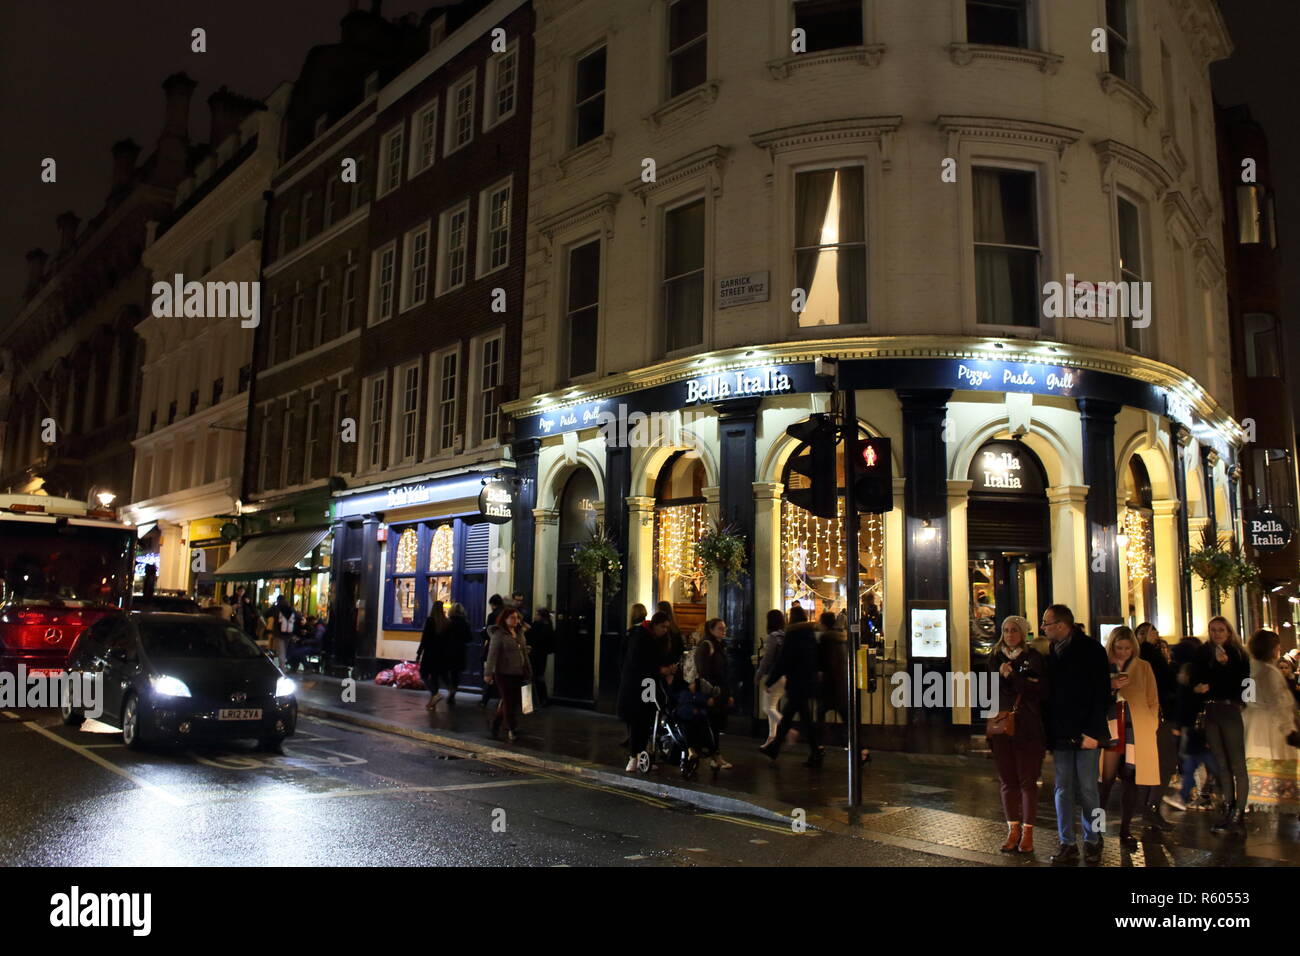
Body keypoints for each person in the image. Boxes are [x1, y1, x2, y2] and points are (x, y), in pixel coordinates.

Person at [1041, 604, 1110, 865]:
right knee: (1062, 789)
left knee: (1089, 789)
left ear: (1061, 625)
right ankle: (1066, 842)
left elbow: (1101, 694)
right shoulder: (1052, 652)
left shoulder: (1092, 650)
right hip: (1061, 732)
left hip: (1086, 732)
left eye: (1047, 623)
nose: (1043, 628)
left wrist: (1092, 731)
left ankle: (1094, 838)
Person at [1097, 627, 1163, 850]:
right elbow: (1092, 695)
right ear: (1112, 646)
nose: (1123, 652)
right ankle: (1095, 829)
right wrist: (1110, 685)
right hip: (1111, 729)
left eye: (1127, 648)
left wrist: (1151, 723)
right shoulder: (1103, 667)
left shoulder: (1143, 667)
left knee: (1131, 781)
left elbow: (1153, 698)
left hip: (1137, 729)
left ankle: (1125, 830)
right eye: (1119, 648)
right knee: (1104, 781)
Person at [987, 615, 1047, 855]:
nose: (1010, 634)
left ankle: (1028, 832)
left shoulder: (1034, 658)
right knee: (1007, 780)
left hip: (1028, 726)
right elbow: (990, 688)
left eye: (1014, 630)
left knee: (1027, 781)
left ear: (1023, 634)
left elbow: (1037, 689)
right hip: (1001, 725)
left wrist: (1012, 677)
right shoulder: (994, 657)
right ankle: (1012, 829)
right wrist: (1015, 680)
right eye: (1006, 630)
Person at [1192, 615, 1251, 834]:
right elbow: (1196, 678)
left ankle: (1238, 811)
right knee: (1220, 762)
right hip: (1211, 708)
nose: (1216, 634)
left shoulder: (1238, 654)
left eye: (1220, 630)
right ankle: (1228, 807)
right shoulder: (1203, 653)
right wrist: (1197, 688)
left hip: (1230, 708)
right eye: (1213, 630)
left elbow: (1245, 684)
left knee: (1237, 763)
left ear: (1228, 632)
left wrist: (1226, 666)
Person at [1244, 629, 1300, 814]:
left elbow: (1247, 698)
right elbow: (1280, 704)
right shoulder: (1271, 673)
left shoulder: (1250, 670)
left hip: (1252, 724)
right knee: (1277, 760)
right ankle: (1278, 797)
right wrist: (1289, 729)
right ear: (1275, 649)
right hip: (1272, 725)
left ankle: (1253, 797)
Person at [759, 607, 823, 767]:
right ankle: (812, 750)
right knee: (800, 718)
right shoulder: (811, 635)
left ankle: (778, 748)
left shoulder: (793, 635)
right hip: (808, 681)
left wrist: (770, 680)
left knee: (792, 717)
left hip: (797, 682)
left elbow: (783, 660)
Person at [1163, 661, 1221, 812]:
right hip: (1199, 735)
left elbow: (1182, 711)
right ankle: (1186, 796)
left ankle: (1188, 797)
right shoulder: (1198, 691)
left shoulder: (1187, 691)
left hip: (1194, 735)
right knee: (1197, 767)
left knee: (1204, 766)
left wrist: (1177, 728)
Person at [617, 612, 672, 770]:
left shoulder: (644, 635)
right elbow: (638, 662)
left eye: (667, 627)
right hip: (638, 686)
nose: (665, 630)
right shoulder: (640, 637)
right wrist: (660, 670)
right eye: (663, 627)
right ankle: (634, 758)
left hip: (644, 686)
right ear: (654, 625)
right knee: (638, 721)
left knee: (644, 721)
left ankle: (639, 757)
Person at [1136, 622, 1179, 790]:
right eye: (1147, 633)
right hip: (1153, 711)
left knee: (1161, 757)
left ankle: (1150, 800)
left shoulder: (1151, 654)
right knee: (1163, 758)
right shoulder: (1145, 655)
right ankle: (1150, 801)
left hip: (1156, 709)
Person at [484, 607, 532, 743]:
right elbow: (492, 654)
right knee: (509, 702)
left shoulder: (519, 633)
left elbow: (523, 652)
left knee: (510, 702)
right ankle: (512, 729)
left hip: (519, 672)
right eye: (512, 617)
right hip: (504, 673)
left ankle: (495, 725)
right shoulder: (498, 634)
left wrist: (528, 669)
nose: (515, 620)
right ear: (504, 619)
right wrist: (488, 673)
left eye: (517, 618)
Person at [693, 618, 734, 770]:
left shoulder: (720, 646)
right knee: (711, 725)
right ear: (711, 630)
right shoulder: (706, 646)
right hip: (711, 692)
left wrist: (727, 694)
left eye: (724, 628)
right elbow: (703, 672)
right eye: (720, 628)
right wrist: (708, 695)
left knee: (715, 725)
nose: (724, 631)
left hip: (719, 692)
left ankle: (713, 755)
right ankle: (713, 756)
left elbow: (724, 673)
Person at [756, 609, 787, 748]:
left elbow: (767, 659)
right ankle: (772, 737)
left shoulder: (773, 637)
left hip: (774, 676)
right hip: (785, 676)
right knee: (771, 707)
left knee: (767, 707)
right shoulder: (785, 636)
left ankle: (787, 729)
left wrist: (758, 674)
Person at [417, 601, 449, 709]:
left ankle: (435, 694)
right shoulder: (446, 622)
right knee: (434, 677)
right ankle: (432, 703)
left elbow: (425, 638)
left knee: (423, 674)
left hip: (430, 653)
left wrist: (419, 653)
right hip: (441, 654)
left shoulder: (430, 621)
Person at [480, 595, 504, 709]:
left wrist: (483, 633)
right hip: (505, 648)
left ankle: (485, 700)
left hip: (493, 646)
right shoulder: (506, 614)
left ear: (493, 604)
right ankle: (501, 700)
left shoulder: (492, 615)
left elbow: (488, 633)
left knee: (490, 674)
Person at [528, 607, 555, 707]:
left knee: (533, 676)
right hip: (541, 655)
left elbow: (534, 638)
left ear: (540, 616)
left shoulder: (539, 626)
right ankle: (542, 699)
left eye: (536, 614)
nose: (534, 616)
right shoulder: (548, 625)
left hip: (536, 655)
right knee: (539, 676)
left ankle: (535, 700)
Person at [271, 595, 299, 669]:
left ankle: (282, 669)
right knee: (285, 651)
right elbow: (298, 617)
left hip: (278, 634)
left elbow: (266, 613)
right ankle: (288, 666)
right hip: (289, 634)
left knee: (281, 652)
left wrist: (273, 605)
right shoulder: (291, 608)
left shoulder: (277, 608)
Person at [656, 601, 684, 668]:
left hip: (662, 666)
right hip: (672, 665)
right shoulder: (675, 628)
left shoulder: (659, 630)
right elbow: (680, 650)